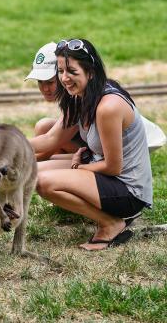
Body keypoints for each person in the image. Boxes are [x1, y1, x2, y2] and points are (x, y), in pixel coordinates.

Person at [30, 38, 153, 251]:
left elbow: (114, 167)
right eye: (60, 71)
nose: (64, 78)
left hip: (128, 190)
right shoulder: (80, 96)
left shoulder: (108, 107)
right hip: (104, 174)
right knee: (30, 173)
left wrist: (80, 167)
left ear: (90, 71)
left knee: (43, 182)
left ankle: (111, 223)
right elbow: (49, 140)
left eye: (71, 71)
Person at [25, 42, 86, 161]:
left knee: (45, 128)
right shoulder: (70, 96)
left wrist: (11, 148)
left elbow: (52, 140)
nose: (45, 89)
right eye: (40, 81)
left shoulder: (76, 97)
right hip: (84, 147)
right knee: (44, 126)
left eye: (50, 82)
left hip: (96, 156)